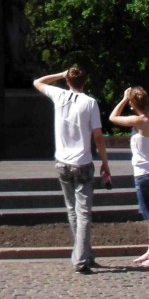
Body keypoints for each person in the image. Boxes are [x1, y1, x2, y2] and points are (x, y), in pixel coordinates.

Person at [34, 66, 111, 274]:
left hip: (61, 162)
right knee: (84, 212)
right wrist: (105, 162)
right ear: (85, 82)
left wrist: (61, 74)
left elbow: (38, 82)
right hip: (82, 162)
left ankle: (85, 253)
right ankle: (80, 259)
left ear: (68, 82)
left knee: (72, 210)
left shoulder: (59, 95)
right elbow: (98, 137)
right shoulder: (90, 102)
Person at [109, 86, 149, 267]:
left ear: (132, 104)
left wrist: (122, 98)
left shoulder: (137, 120)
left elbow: (112, 117)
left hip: (143, 173)